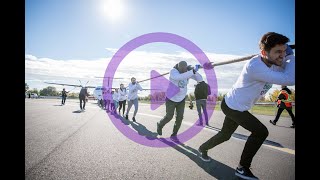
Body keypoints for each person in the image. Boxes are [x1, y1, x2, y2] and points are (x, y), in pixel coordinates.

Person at [198, 32, 295, 180]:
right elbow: (290, 78)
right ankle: (242, 168)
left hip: (237, 105)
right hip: (232, 106)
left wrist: (284, 56)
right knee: (261, 132)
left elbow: (288, 71)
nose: (281, 56)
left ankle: (202, 148)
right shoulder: (255, 66)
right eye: (278, 52)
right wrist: (289, 56)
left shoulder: (273, 63)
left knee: (225, 135)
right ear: (264, 52)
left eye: (283, 51)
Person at [156, 61, 201, 138]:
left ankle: (174, 134)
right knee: (169, 116)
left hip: (181, 99)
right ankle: (160, 124)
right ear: (179, 68)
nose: (184, 71)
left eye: (185, 69)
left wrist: (193, 70)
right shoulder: (173, 71)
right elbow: (179, 77)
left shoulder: (187, 72)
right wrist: (192, 71)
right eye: (182, 70)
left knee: (180, 117)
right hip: (171, 98)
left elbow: (199, 79)